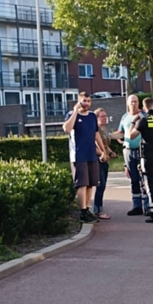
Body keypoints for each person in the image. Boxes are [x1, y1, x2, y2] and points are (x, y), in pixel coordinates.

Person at [62, 92, 108, 224]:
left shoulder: (93, 116)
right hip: (78, 155)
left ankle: (87, 209)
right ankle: (82, 212)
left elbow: (96, 134)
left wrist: (103, 151)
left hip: (91, 155)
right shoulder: (72, 115)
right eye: (84, 101)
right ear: (78, 101)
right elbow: (66, 128)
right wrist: (75, 112)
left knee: (91, 184)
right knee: (82, 184)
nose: (86, 103)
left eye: (88, 101)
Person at [113, 94, 149, 216]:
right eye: (132, 102)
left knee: (144, 179)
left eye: (136, 101)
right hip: (128, 151)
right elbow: (121, 132)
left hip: (142, 150)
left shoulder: (143, 115)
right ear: (128, 103)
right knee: (133, 179)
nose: (134, 104)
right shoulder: (124, 117)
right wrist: (109, 136)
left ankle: (147, 206)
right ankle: (136, 206)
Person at [93, 107, 118, 219]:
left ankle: (98, 208)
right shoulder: (95, 130)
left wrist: (111, 152)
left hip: (105, 160)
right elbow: (93, 146)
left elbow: (106, 145)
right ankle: (98, 210)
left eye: (105, 116)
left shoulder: (104, 129)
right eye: (102, 116)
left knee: (102, 186)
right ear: (97, 118)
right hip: (97, 160)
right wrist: (102, 154)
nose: (105, 118)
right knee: (100, 185)